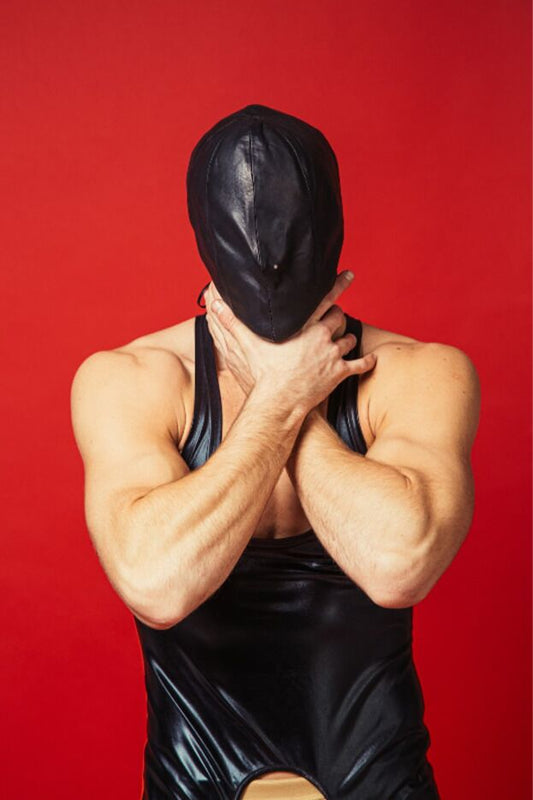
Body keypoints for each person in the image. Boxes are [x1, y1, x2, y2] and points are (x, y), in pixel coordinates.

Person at [70, 104, 480, 800]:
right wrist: (279, 399)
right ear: (207, 234)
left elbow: (398, 566)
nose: (269, 258)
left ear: (329, 226)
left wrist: (284, 397)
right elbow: (156, 584)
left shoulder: (420, 373)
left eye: (288, 232)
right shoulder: (132, 380)